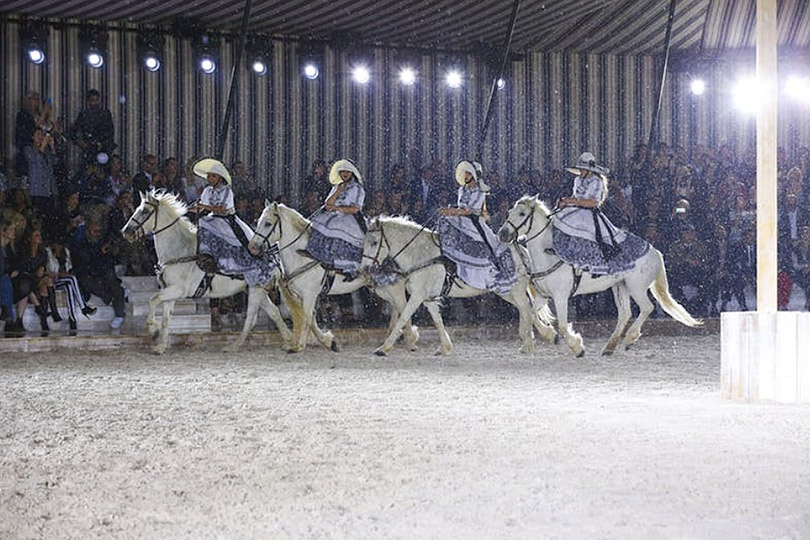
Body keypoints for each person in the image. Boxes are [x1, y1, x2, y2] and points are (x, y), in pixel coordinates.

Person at [552, 152, 648, 275]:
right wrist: (565, 202)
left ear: (589, 170)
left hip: (588, 213)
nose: (581, 171)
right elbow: (575, 196)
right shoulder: (577, 180)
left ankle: (593, 266)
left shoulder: (597, 181)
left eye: (583, 169)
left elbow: (593, 202)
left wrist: (571, 201)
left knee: (592, 238)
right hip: (575, 210)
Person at [188, 158, 278, 286]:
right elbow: (203, 206)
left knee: (244, 242)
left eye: (213, 176)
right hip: (213, 219)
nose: (210, 179)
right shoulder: (207, 190)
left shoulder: (227, 190)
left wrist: (204, 206)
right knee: (202, 222)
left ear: (220, 178)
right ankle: (206, 256)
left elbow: (222, 208)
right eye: (209, 177)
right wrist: (190, 208)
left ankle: (253, 264)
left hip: (227, 220)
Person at [436, 160, 517, 294]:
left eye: (467, 173)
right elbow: (461, 206)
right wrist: (451, 211)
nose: (465, 175)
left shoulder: (480, 190)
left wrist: (452, 211)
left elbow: (471, 210)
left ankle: (493, 270)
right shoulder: (462, 189)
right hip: (460, 219)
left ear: (473, 174)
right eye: (464, 173)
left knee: (487, 245)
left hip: (473, 221)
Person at [303, 159, 367, 279]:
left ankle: (347, 267)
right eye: (342, 171)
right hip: (333, 216)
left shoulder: (357, 188)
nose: (344, 174)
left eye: (347, 171)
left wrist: (338, 208)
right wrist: (338, 191)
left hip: (349, 219)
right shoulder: (337, 187)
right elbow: (327, 204)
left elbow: (355, 209)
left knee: (341, 236)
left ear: (352, 172)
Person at [69, 89, 115, 168]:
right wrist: (80, 142)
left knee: (103, 174)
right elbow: (72, 132)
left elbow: (111, 132)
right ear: (88, 102)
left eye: (97, 100)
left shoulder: (105, 114)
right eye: (93, 100)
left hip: (104, 150)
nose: (95, 103)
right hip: (89, 151)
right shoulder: (84, 115)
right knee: (88, 175)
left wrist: (104, 144)